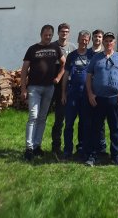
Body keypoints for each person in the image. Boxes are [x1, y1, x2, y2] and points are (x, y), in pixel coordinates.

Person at [83, 31, 118, 167]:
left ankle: (116, 156)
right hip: (98, 98)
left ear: (114, 43)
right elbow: (89, 76)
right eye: (106, 41)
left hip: (115, 98)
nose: (108, 43)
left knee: (115, 128)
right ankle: (94, 155)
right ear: (103, 43)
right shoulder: (96, 58)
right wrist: (90, 94)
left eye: (111, 41)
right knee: (96, 128)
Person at [20, 24, 65, 160]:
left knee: (42, 117)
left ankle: (37, 146)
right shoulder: (32, 49)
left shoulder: (55, 48)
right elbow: (24, 70)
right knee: (33, 116)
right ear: (41, 34)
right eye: (46, 35)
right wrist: (23, 88)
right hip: (34, 87)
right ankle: (28, 148)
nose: (48, 37)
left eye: (50, 35)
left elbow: (64, 63)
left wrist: (58, 77)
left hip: (49, 87)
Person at [61, 30, 94, 159]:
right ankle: (67, 150)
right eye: (82, 39)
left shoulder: (92, 55)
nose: (84, 42)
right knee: (69, 123)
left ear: (89, 41)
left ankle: (82, 148)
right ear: (78, 39)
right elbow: (66, 75)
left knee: (84, 123)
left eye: (86, 40)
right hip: (73, 93)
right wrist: (63, 93)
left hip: (86, 94)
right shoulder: (72, 56)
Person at [50, 23, 77, 154]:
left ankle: (62, 146)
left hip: (67, 85)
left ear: (69, 33)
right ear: (58, 33)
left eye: (66, 31)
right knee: (51, 117)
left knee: (64, 117)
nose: (64, 33)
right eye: (62, 31)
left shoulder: (72, 48)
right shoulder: (52, 46)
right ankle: (54, 146)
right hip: (53, 84)